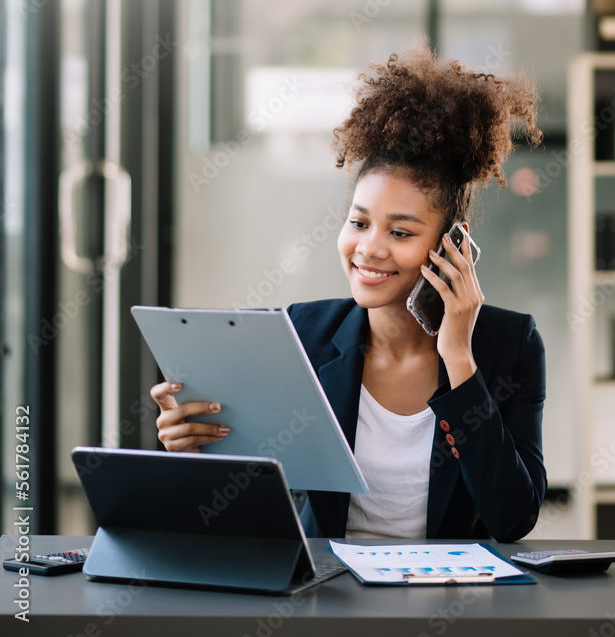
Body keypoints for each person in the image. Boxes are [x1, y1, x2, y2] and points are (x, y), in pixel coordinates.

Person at [151, 45, 547, 543]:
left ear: (454, 244)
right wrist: (193, 455)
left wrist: (459, 359)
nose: (369, 249)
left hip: (449, 603)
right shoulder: (300, 334)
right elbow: (246, 512)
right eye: (359, 222)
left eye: (400, 232)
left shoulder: (511, 345)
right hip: (329, 599)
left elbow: (513, 518)